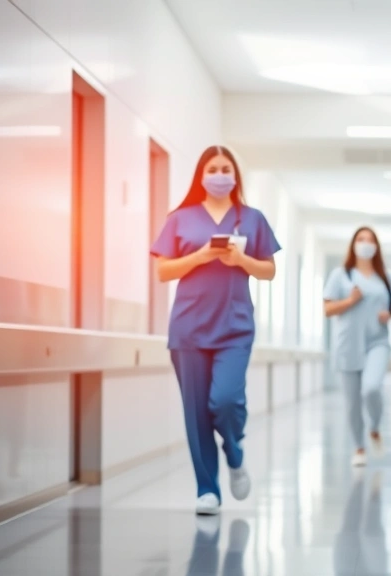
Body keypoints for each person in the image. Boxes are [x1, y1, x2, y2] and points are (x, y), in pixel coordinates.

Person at [150, 145, 281, 516]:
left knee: (224, 400)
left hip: (235, 326)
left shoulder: (251, 218)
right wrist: (202, 256)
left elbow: (269, 270)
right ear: (201, 175)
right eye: (213, 168)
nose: (220, 174)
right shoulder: (180, 218)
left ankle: (234, 452)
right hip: (189, 328)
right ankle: (207, 489)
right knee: (196, 413)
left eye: (226, 168)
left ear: (235, 175)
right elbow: (163, 271)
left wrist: (241, 260)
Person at [323, 227, 391, 467]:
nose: (365, 243)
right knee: (352, 403)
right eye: (360, 239)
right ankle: (359, 447)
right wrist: (350, 300)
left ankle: (375, 427)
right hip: (347, 345)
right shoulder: (341, 275)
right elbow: (327, 309)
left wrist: (389, 314)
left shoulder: (385, 276)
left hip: (378, 342)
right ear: (353, 244)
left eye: (370, 240)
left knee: (371, 389)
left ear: (376, 246)